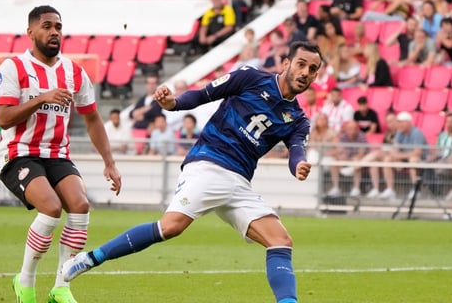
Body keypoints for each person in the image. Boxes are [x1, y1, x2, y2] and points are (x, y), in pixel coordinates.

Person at [61, 41, 323, 303]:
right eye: (301, 64)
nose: (305, 73)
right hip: (209, 165)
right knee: (170, 227)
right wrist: (173, 103)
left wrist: (299, 165)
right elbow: (202, 95)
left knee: (281, 241)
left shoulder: (298, 119)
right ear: (286, 63)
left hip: (239, 182)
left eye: (312, 69)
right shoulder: (250, 78)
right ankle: (90, 258)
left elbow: (297, 150)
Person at [0, 5, 122, 303]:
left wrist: (110, 163)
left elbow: (93, 119)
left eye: (58, 27)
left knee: (80, 206)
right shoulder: (13, 67)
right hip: (19, 154)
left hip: (57, 155)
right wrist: (41, 98)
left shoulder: (74, 72)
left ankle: (61, 287)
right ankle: (24, 282)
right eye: (47, 26)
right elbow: (3, 118)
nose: (54, 32)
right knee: (51, 208)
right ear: (31, 32)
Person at [379, 111, 428, 200]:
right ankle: (390, 189)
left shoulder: (416, 133)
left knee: (413, 160)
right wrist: (397, 158)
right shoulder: (399, 133)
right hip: (405, 158)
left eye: (402, 122)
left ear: (409, 122)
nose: (400, 124)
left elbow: (417, 152)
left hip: (421, 159)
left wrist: (399, 156)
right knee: (388, 159)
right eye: (399, 122)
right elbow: (395, 150)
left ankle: (415, 190)